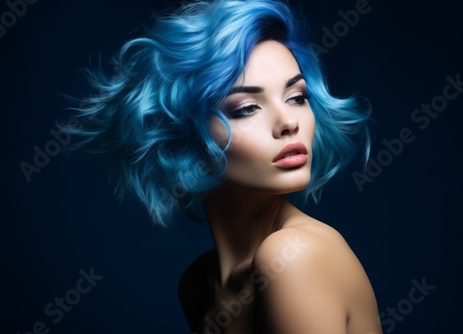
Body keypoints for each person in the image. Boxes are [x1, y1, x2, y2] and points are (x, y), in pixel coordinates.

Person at [59, 0, 382, 333]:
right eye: (246, 108)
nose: (288, 122)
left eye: (297, 97)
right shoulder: (199, 285)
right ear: (184, 137)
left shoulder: (294, 256)